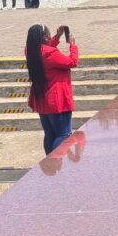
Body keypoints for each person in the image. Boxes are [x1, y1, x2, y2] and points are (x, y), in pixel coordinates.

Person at [25, 24, 79, 154]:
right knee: (63, 135)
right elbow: (72, 62)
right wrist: (73, 46)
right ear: (44, 38)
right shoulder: (50, 53)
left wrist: (57, 36)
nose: (50, 37)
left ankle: (50, 166)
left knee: (49, 134)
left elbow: (45, 50)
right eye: (49, 35)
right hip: (56, 100)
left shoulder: (30, 50)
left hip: (41, 100)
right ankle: (54, 162)